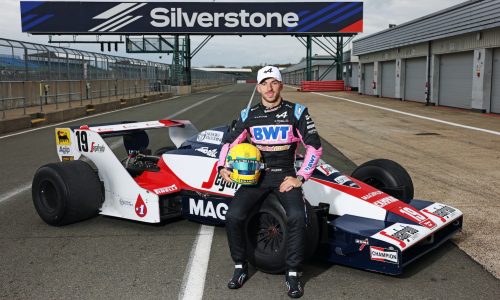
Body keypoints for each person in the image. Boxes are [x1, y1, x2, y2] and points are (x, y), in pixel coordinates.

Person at [217, 66, 323, 298]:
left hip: (285, 175)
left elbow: (315, 147)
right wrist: (222, 166)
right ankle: (239, 267)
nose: (269, 88)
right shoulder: (248, 115)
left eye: (274, 82)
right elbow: (228, 142)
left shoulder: (297, 111)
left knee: (296, 217)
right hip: (256, 177)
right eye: (264, 83)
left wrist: (300, 177)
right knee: (233, 216)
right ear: (258, 87)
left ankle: (293, 273)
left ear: (281, 85)